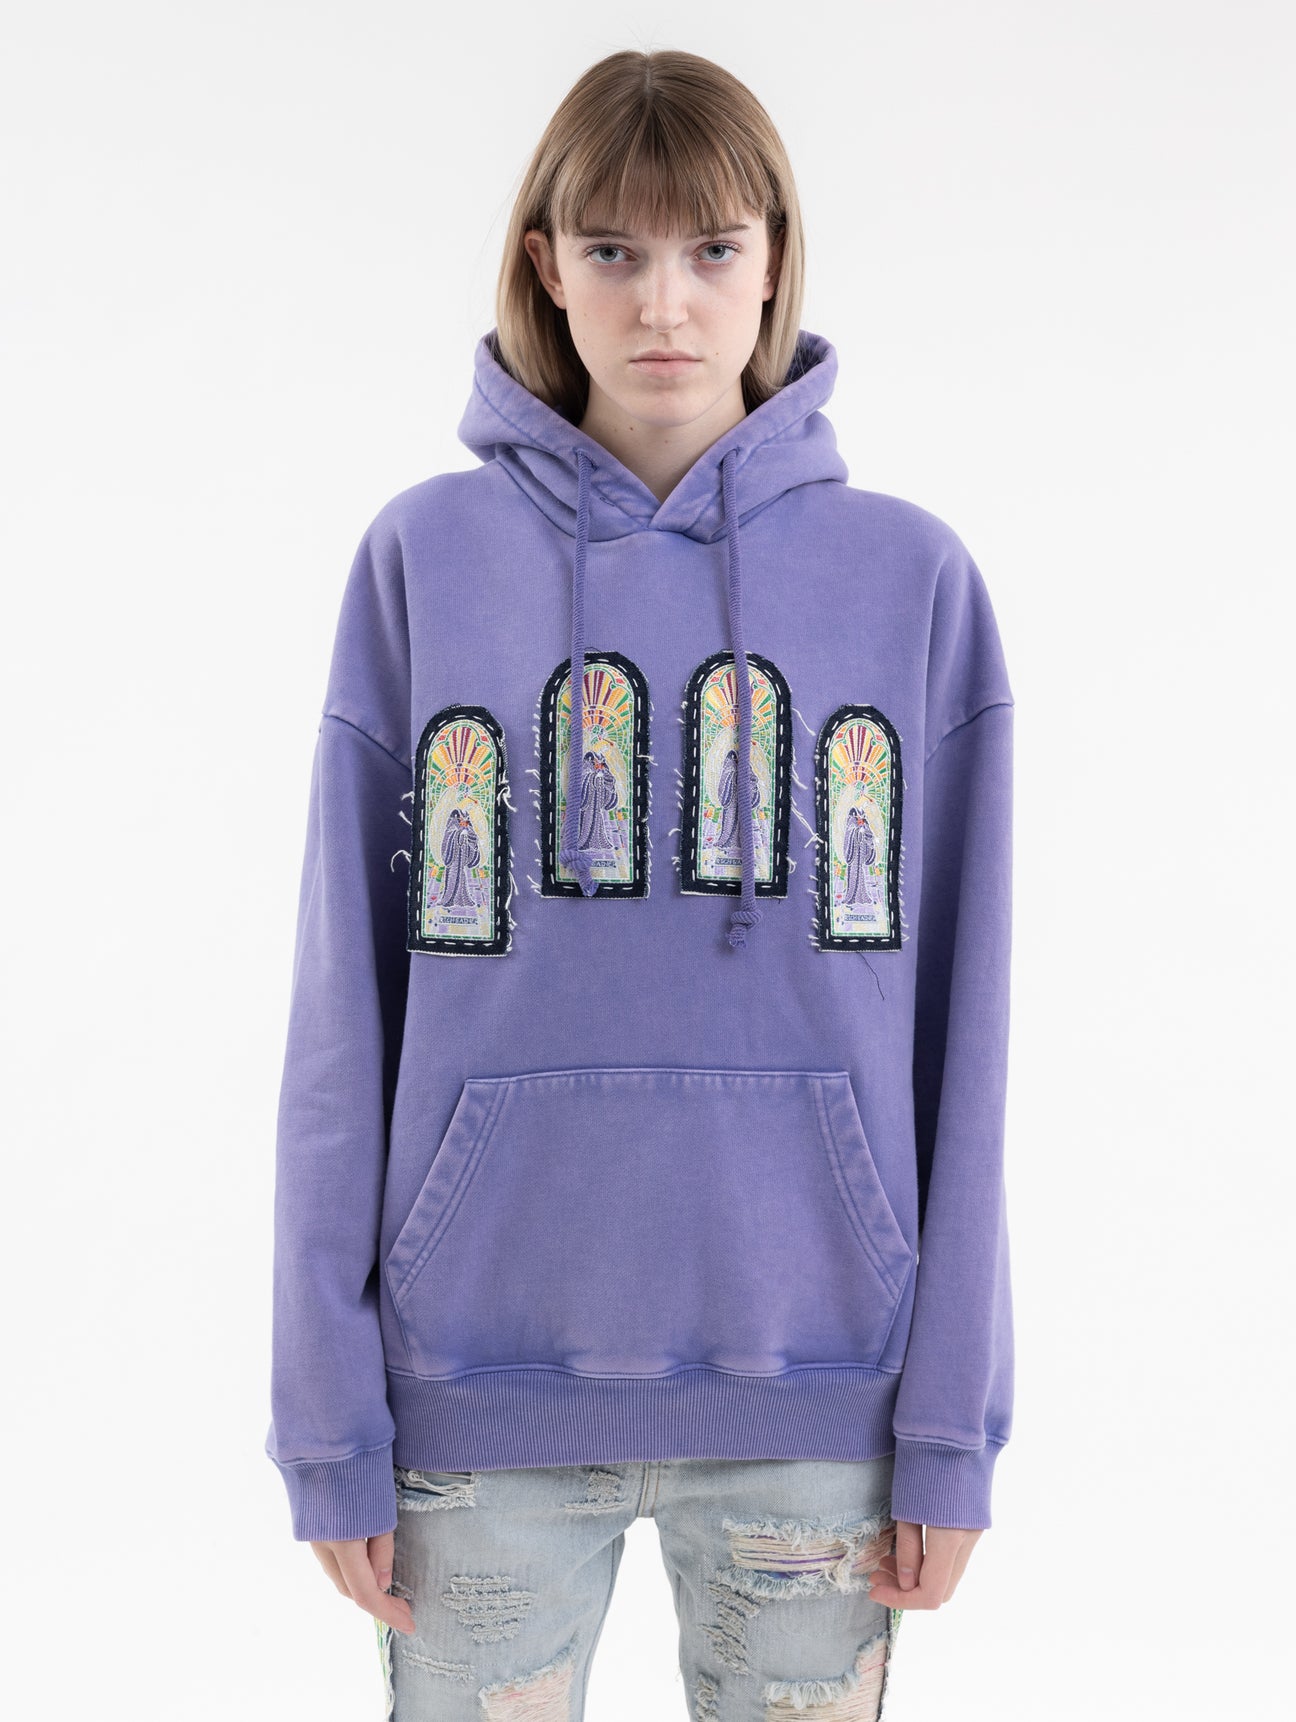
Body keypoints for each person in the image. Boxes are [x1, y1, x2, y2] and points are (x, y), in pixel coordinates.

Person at [264, 46, 1015, 1722]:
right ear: (546, 263)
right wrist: (327, 1415)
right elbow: (339, 1015)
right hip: (474, 1398)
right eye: (613, 249)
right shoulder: (421, 563)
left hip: (820, 1403)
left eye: (710, 249)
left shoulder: (912, 583)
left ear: (773, 260)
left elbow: (968, 1036)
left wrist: (951, 1423)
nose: (663, 302)